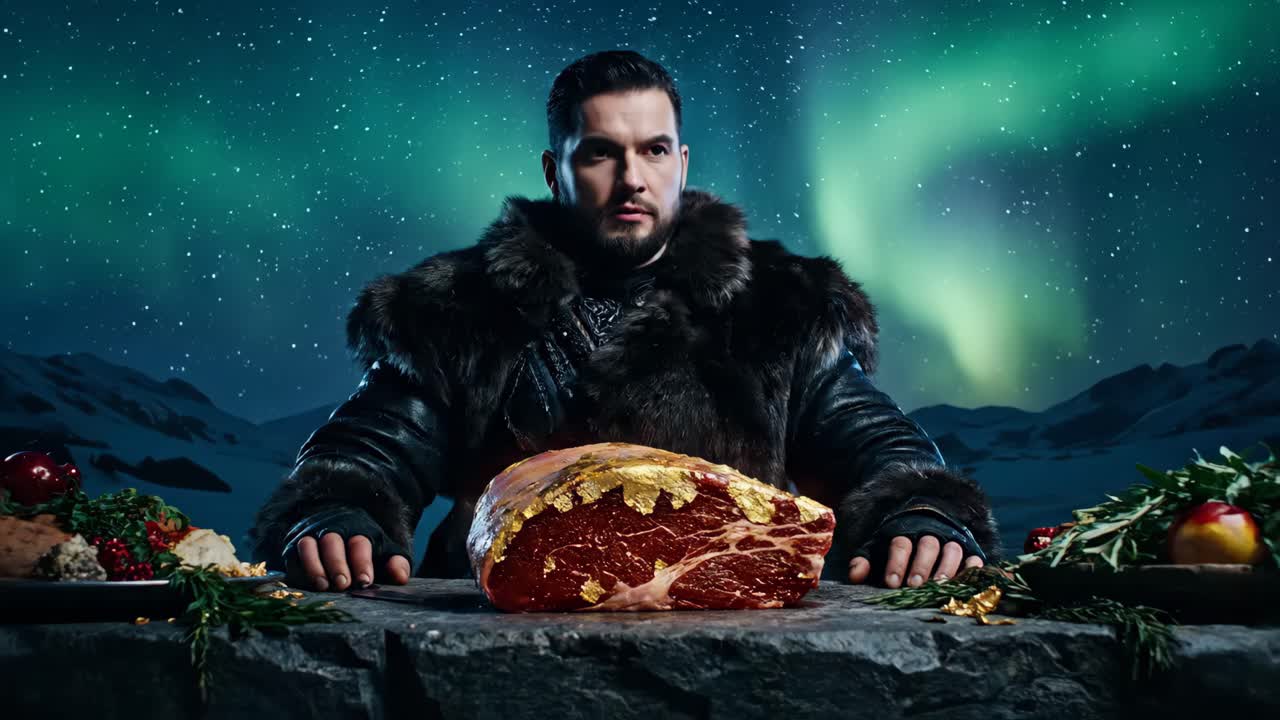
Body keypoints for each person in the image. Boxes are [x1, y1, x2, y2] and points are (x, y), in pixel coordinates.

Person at [250, 50, 1000, 593]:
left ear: (682, 161)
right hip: (503, 642)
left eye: (654, 150)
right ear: (556, 169)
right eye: (601, 154)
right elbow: (375, 446)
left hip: (735, 637)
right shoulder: (460, 309)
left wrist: (923, 511)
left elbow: (873, 440)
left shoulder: (780, 306)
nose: (632, 178)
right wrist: (337, 509)